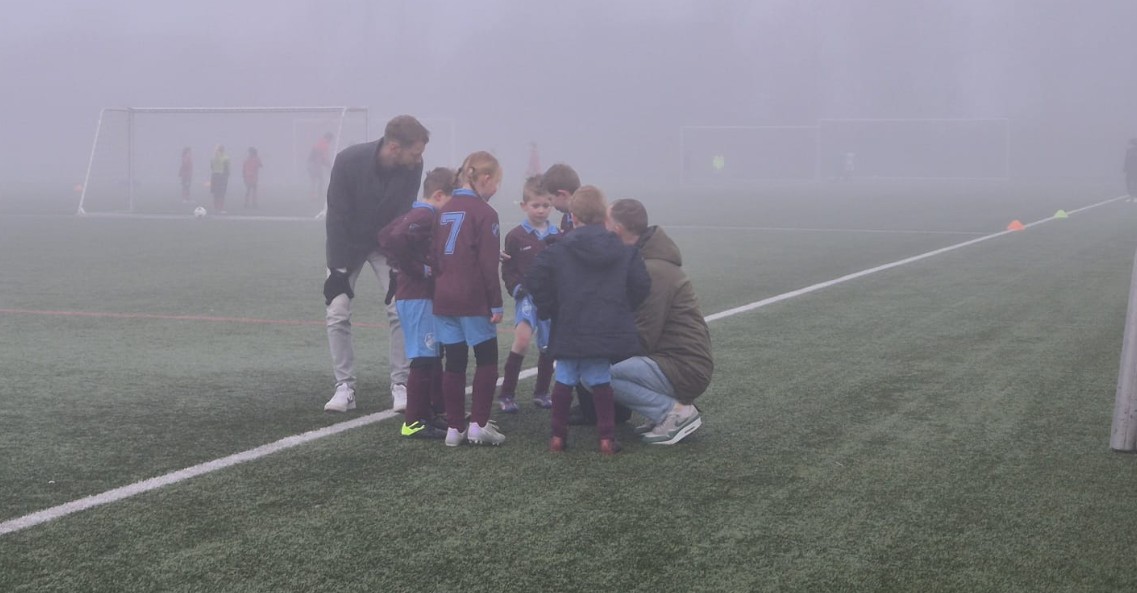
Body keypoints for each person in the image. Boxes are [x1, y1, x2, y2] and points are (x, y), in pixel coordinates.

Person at [526, 186, 651, 455]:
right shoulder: (624, 251)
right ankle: (606, 438)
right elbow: (642, 284)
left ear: (573, 216)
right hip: (605, 328)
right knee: (601, 380)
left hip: (570, 326)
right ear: (603, 216)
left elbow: (534, 279)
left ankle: (558, 436)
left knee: (564, 379)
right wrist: (621, 308)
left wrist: (549, 309)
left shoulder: (557, 250)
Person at [322, 115, 429, 414]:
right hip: (348, 244)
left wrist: (399, 266)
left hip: (387, 243)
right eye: (415, 152)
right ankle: (344, 387)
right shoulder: (347, 161)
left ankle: (401, 384)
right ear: (394, 147)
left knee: (399, 307)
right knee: (337, 310)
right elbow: (337, 216)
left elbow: (401, 215)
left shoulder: (412, 166)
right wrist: (338, 271)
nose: (419, 159)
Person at [606, 198, 713, 445]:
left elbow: (643, 336)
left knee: (595, 375)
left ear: (618, 229)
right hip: (676, 362)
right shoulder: (647, 262)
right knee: (597, 370)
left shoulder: (653, 270)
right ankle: (666, 412)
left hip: (684, 367)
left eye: (607, 223)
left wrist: (597, 344)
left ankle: (674, 413)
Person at [432, 151, 506, 447]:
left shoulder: (442, 208)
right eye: (497, 183)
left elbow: (434, 255)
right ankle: (478, 424)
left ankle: (453, 428)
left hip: (443, 296)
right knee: (487, 357)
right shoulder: (486, 214)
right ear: (485, 179)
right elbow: (488, 265)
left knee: (454, 360)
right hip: (472, 297)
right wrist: (496, 303)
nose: (497, 190)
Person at [378, 167, 455, 439]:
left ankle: (428, 413)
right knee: (423, 358)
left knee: (431, 355)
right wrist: (416, 268)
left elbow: (385, 235)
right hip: (417, 296)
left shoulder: (416, 212)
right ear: (438, 195)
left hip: (416, 295)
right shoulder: (426, 214)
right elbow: (396, 239)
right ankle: (413, 421)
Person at [498, 175, 559, 412]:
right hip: (527, 298)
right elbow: (508, 268)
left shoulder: (557, 235)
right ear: (524, 206)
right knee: (522, 341)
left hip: (551, 300)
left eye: (546, 205)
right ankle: (506, 395)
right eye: (536, 205)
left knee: (547, 347)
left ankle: (542, 392)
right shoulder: (516, 235)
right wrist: (515, 287)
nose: (541, 210)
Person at [540, 163, 580, 233]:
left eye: (550, 199)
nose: (551, 204)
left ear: (562, 194)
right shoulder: (566, 219)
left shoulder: (591, 218)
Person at [309, 132, 334, 202]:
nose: (330, 142)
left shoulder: (323, 143)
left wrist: (328, 165)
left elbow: (323, 157)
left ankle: (318, 194)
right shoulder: (323, 144)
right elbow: (318, 156)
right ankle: (314, 194)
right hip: (314, 164)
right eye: (330, 140)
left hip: (315, 163)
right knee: (316, 179)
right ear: (328, 138)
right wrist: (324, 165)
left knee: (319, 179)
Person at [209, 144, 230, 213]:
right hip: (222, 176)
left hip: (214, 176)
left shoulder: (213, 157)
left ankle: (215, 207)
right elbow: (227, 168)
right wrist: (227, 176)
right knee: (222, 193)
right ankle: (220, 208)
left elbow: (211, 167)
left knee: (215, 193)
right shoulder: (226, 158)